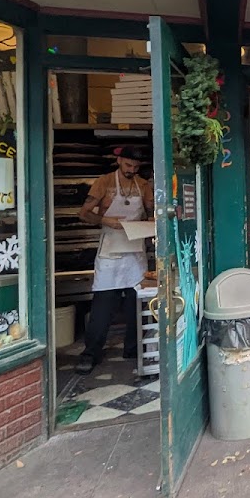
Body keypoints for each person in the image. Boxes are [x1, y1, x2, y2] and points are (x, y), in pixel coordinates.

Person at [75, 146, 153, 374]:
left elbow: (150, 213)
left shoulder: (143, 185)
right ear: (119, 160)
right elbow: (83, 213)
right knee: (103, 306)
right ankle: (91, 353)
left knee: (135, 305)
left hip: (135, 252)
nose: (132, 170)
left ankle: (133, 348)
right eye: (128, 165)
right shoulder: (104, 182)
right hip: (110, 251)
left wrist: (150, 221)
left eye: (136, 167)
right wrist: (105, 220)